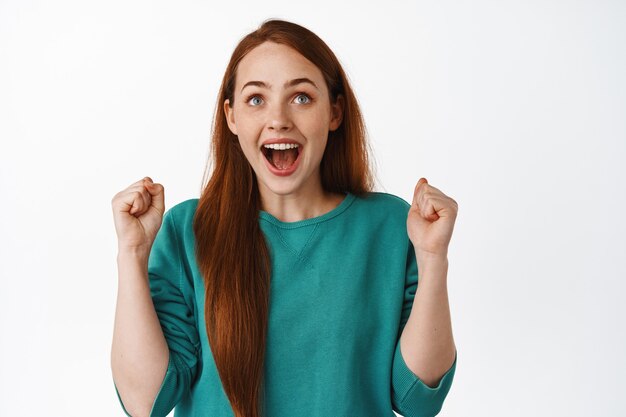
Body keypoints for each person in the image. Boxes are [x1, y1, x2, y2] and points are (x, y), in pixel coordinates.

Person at [110, 18, 458, 417]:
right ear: (232, 117)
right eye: (256, 99)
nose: (278, 119)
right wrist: (131, 253)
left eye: (301, 97)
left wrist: (433, 259)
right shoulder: (188, 229)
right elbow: (146, 400)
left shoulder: (391, 227)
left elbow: (418, 400)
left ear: (335, 111)